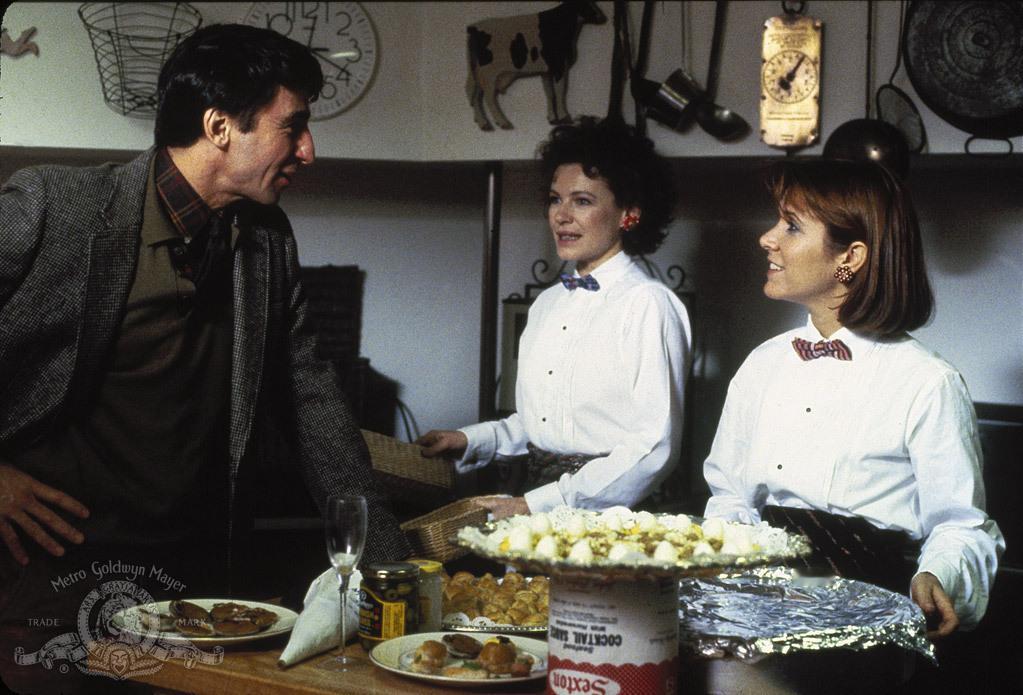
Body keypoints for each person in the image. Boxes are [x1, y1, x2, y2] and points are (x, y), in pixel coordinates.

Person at [0, 24, 409, 693]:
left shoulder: (267, 239)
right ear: (219, 126)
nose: (308, 150)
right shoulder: (54, 206)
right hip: (43, 583)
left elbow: (313, 404)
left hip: (190, 587)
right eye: (293, 126)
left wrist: (389, 569)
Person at [702, 158, 1004, 640]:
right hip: (759, 605)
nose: (767, 238)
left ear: (852, 256)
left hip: (868, 615)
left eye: (791, 226)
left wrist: (936, 575)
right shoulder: (762, 364)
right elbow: (730, 497)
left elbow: (961, 526)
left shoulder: (928, 382)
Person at [418, 116, 691, 519]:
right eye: (554, 199)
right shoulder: (546, 304)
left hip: (608, 515)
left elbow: (653, 447)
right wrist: (468, 439)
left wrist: (540, 504)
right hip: (533, 500)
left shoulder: (648, 304)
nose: (561, 216)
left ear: (628, 214)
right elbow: (543, 426)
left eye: (582, 201)